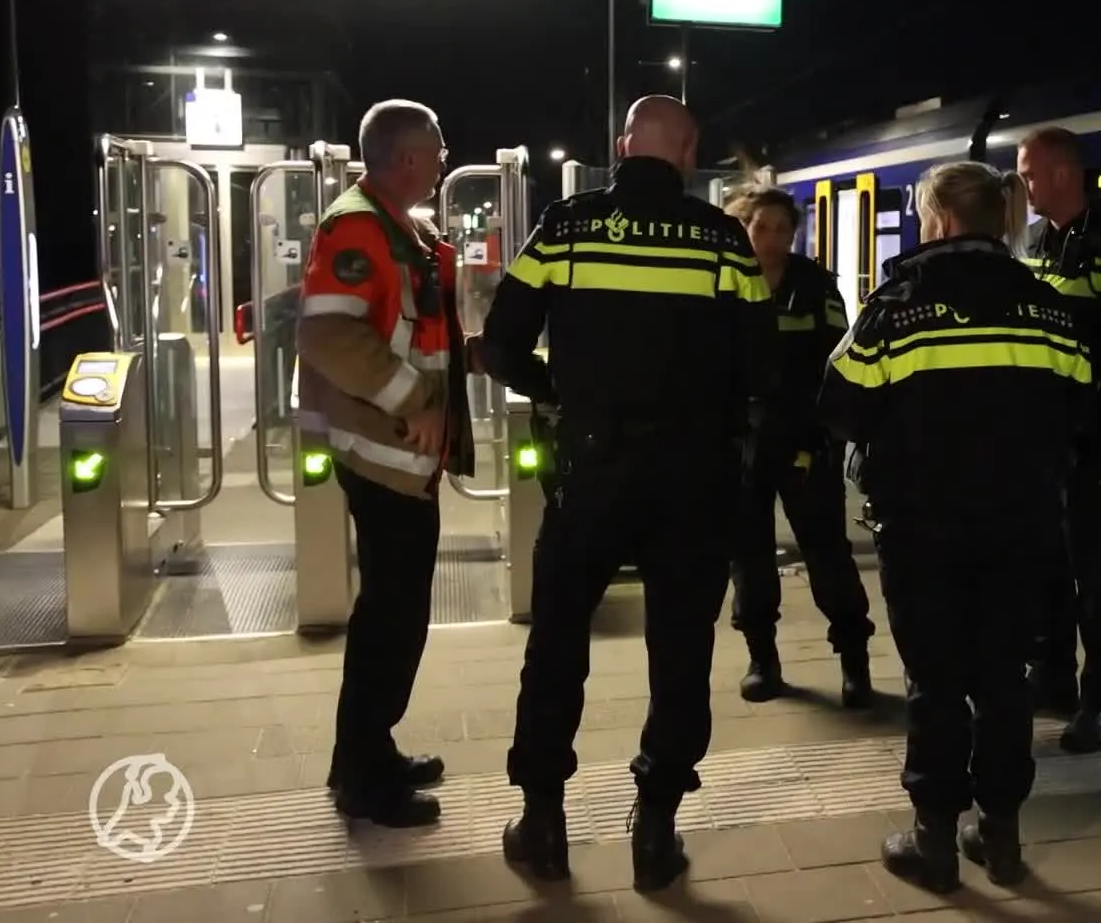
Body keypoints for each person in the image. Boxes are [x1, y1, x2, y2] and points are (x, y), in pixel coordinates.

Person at [478, 96, 774, 891]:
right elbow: (763, 368)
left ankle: (542, 819)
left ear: (621, 147)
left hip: (592, 469)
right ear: (687, 155)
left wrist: (557, 392)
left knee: (558, 645)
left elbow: (499, 345)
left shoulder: (567, 228)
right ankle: (655, 826)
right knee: (681, 650)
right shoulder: (723, 240)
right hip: (694, 476)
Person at [821, 161, 1093, 892]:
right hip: (1021, 526)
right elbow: (1081, 407)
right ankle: (999, 837)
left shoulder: (896, 306)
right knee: (1004, 678)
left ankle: (933, 839)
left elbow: (840, 405)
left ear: (938, 219)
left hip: (922, 528)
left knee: (934, 681)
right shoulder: (1047, 308)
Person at [296, 98, 475, 827]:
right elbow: (329, 336)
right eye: (436, 149)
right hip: (385, 453)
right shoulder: (358, 227)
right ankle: (362, 777)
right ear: (406, 157)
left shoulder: (400, 227)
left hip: (405, 457)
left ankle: (369, 750)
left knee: (396, 617)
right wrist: (415, 401)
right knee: (390, 621)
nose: (441, 159)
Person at [1016, 126, 1101, 754]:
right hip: (1042, 436)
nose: (1024, 185)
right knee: (1046, 565)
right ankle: (1052, 679)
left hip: (1092, 437)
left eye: (1029, 174)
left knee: (1096, 574)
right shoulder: (1034, 241)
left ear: (1065, 174)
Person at [722, 185, 874, 708]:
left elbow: (839, 362)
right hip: (741, 444)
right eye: (761, 228)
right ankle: (762, 659)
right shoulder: (722, 285)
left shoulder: (815, 286)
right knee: (750, 555)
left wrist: (827, 433)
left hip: (805, 441)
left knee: (827, 552)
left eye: (782, 229)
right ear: (743, 228)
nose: (771, 239)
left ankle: (855, 662)